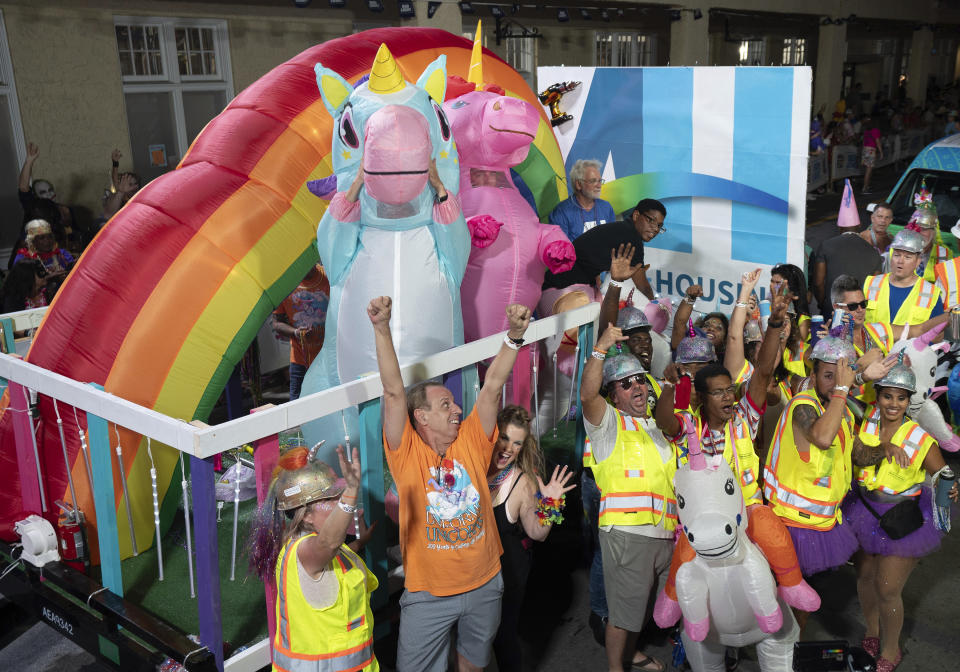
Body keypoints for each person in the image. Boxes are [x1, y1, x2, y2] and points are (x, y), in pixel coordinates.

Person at [373, 296, 531, 672]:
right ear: (421, 417)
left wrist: (514, 337)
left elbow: (492, 387)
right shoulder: (406, 454)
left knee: (474, 663)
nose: (457, 409)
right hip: (429, 594)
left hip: (485, 584)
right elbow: (395, 392)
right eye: (446, 405)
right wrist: (381, 329)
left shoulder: (473, 441)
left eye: (454, 404)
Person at [655, 281, 821, 618]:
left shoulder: (745, 418)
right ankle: (673, 604)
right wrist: (672, 387)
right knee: (689, 570)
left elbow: (762, 371)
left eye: (730, 390)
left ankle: (791, 585)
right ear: (701, 398)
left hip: (747, 513)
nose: (729, 397)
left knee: (768, 542)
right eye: (718, 393)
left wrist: (774, 324)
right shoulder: (689, 426)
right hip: (705, 522)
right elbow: (663, 422)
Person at [762, 337, 893, 628]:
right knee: (776, 600)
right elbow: (822, 438)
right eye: (827, 375)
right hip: (789, 526)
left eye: (840, 375)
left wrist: (888, 448)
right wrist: (847, 386)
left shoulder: (841, 411)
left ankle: (789, 651)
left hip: (822, 525)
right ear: (813, 375)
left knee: (802, 604)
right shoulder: (802, 406)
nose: (834, 382)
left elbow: (858, 452)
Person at [842, 362, 959, 672]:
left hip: (901, 520)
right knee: (865, 578)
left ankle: (891, 651)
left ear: (909, 401)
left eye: (901, 398)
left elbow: (943, 473)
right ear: (877, 396)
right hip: (863, 510)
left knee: (887, 588)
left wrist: (951, 489)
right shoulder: (865, 419)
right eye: (887, 396)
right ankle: (872, 632)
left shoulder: (920, 438)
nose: (894, 404)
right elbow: (836, 395)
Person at [580, 328, 676, 672]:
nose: (637, 387)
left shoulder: (657, 425)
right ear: (613, 396)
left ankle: (630, 654)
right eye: (626, 383)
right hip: (627, 532)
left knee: (643, 606)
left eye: (640, 380)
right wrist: (601, 348)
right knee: (623, 613)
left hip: (663, 533)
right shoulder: (607, 424)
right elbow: (588, 394)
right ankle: (614, 668)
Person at [247, 444, 379, 672]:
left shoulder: (320, 549)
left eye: (339, 496)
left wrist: (359, 543)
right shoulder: (304, 551)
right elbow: (329, 544)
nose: (340, 503)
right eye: (331, 499)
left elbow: (335, 556)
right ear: (306, 515)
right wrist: (351, 491)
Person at [487, 405, 575, 672]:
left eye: (517, 443)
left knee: (502, 637)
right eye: (504, 438)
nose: (508, 448)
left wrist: (551, 502)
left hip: (508, 573)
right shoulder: (474, 469)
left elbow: (538, 533)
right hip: (475, 570)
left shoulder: (522, 482)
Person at [540, 199, 666, 306]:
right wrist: (656, 307)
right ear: (636, 215)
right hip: (560, 291)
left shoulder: (621, 229)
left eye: (659, 226)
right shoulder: (632, 239)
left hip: (555, 289)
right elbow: (643, 286)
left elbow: (588, 255)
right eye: (651, 220)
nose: (655, 229)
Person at [271, 264, 330, 400]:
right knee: (297, 405)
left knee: (329, 402)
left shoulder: (328, 275)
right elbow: (276, 323)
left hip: (328, 357)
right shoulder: (284, 284)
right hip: (300, 360)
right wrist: (297, 332)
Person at [864, 230, 944, 326]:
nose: (900, 261)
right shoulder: (871, 284)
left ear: (918, 261)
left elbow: (936, 334)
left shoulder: (930, 293)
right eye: (897, 255)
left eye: (907, 257)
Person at [811, 229, 883, 319]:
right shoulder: (873, 252)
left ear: (840, 227)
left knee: (830, 333)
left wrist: (824, 304)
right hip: (860, 313)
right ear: (859, 226)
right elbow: (875, 288)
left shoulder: (826, 245)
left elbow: (818, 283)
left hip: (832, 310)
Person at [549, 159, 616, 241]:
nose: (599, 185)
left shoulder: (606, 207)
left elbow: (613, 239)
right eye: (593, 181)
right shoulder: (561, 212)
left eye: (600, 181)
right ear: (578, 184)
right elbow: (562, 249)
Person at [860, 116, 882, 194]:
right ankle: (864, 188)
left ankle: (867, 185)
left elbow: (863, 141)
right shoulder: (875, 130)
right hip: (871, 150)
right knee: (869, 170)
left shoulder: (866, 131)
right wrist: (881, 152)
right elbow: (877, 142)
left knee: (868, 169)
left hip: (865, 149)